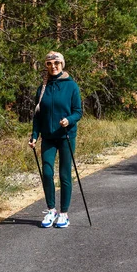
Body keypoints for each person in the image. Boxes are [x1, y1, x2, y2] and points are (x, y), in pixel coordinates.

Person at [29, 51, 83, 228]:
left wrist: (69, 120)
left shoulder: (71, 86)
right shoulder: (42, 88)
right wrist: (34, 136)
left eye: (56, 63)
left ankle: (64, 213)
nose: (53, 66)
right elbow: (37, 116)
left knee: (65, 175)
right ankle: (51, 210)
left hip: (66, 136)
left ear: (62, 65)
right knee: (47, 172)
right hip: (48, 137)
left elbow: (78, 111)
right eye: (49, 64)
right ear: (46, 66)